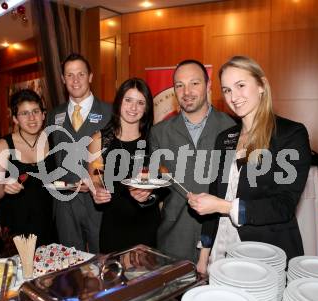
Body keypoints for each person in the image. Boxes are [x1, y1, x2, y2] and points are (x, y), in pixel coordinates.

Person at [188, 56, 312, 275]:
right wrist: (203, 255)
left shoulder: (290, 134)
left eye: (240, 86)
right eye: (226, 90)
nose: (233, 97)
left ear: (261, 85)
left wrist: (223, 206)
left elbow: (284, 205)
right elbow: (216, 194)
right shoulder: (225, 138)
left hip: (265, 254)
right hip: (222, 248)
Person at [148, 59, 235, 262]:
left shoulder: (230, 128)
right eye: (180, 85)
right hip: (174, 237)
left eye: (194, 83)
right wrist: (144, 195)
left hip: (220, 237)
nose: (186, 91)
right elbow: (156, 184)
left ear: (208, 85)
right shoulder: (160, 132)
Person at [46, 53, 112, 253]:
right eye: (70, 75)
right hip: (65, 202)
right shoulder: (53, 115)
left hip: (99, 202)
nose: (75, 80)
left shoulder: (111, 112)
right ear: (62, 79)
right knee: (69, 265)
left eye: (81, 74)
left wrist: (99, 182)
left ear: (90, 76)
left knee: (102, 260)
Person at [88, 78, 161, 253]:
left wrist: (150, 193)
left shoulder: (154, 139)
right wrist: (97, 190)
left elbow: (162, 181)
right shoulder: (99, 140)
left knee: (147, 278)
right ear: (119, 101)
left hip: (148, 225)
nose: (133, 108)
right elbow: (95, 178)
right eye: (128, 100)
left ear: (147, 108)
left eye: (140, 102)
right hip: (114, 225)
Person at [0, 89, 56, 257]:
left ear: (43, 115)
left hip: (48, 227)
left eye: (35, 111)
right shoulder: (3, 146)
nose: (32, 118)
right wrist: (3, 187)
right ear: (15, 119)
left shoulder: (53, 142)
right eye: (24, 113)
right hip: (15, 232)